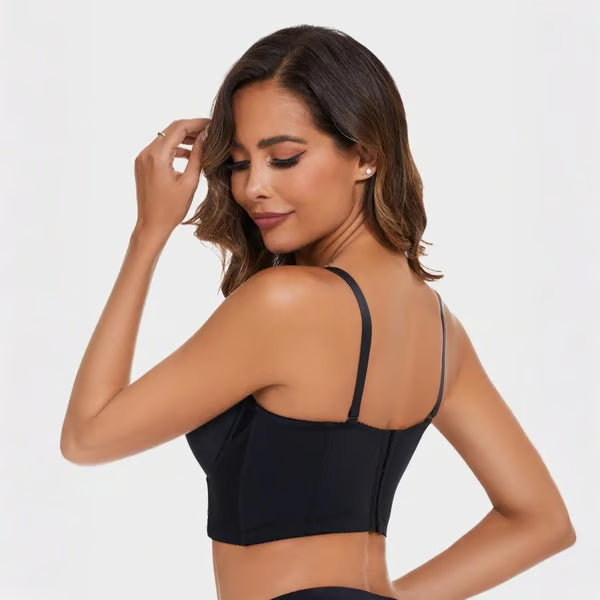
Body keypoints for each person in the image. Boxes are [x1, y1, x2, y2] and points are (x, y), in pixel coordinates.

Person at [60, 24, 576, 600]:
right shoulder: (438, 328)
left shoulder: (285, 304)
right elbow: (540, 521)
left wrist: (149, 233)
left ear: (366, 155)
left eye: (284, 158)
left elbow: (88, 435)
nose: (252, 187)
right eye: (238, 163)